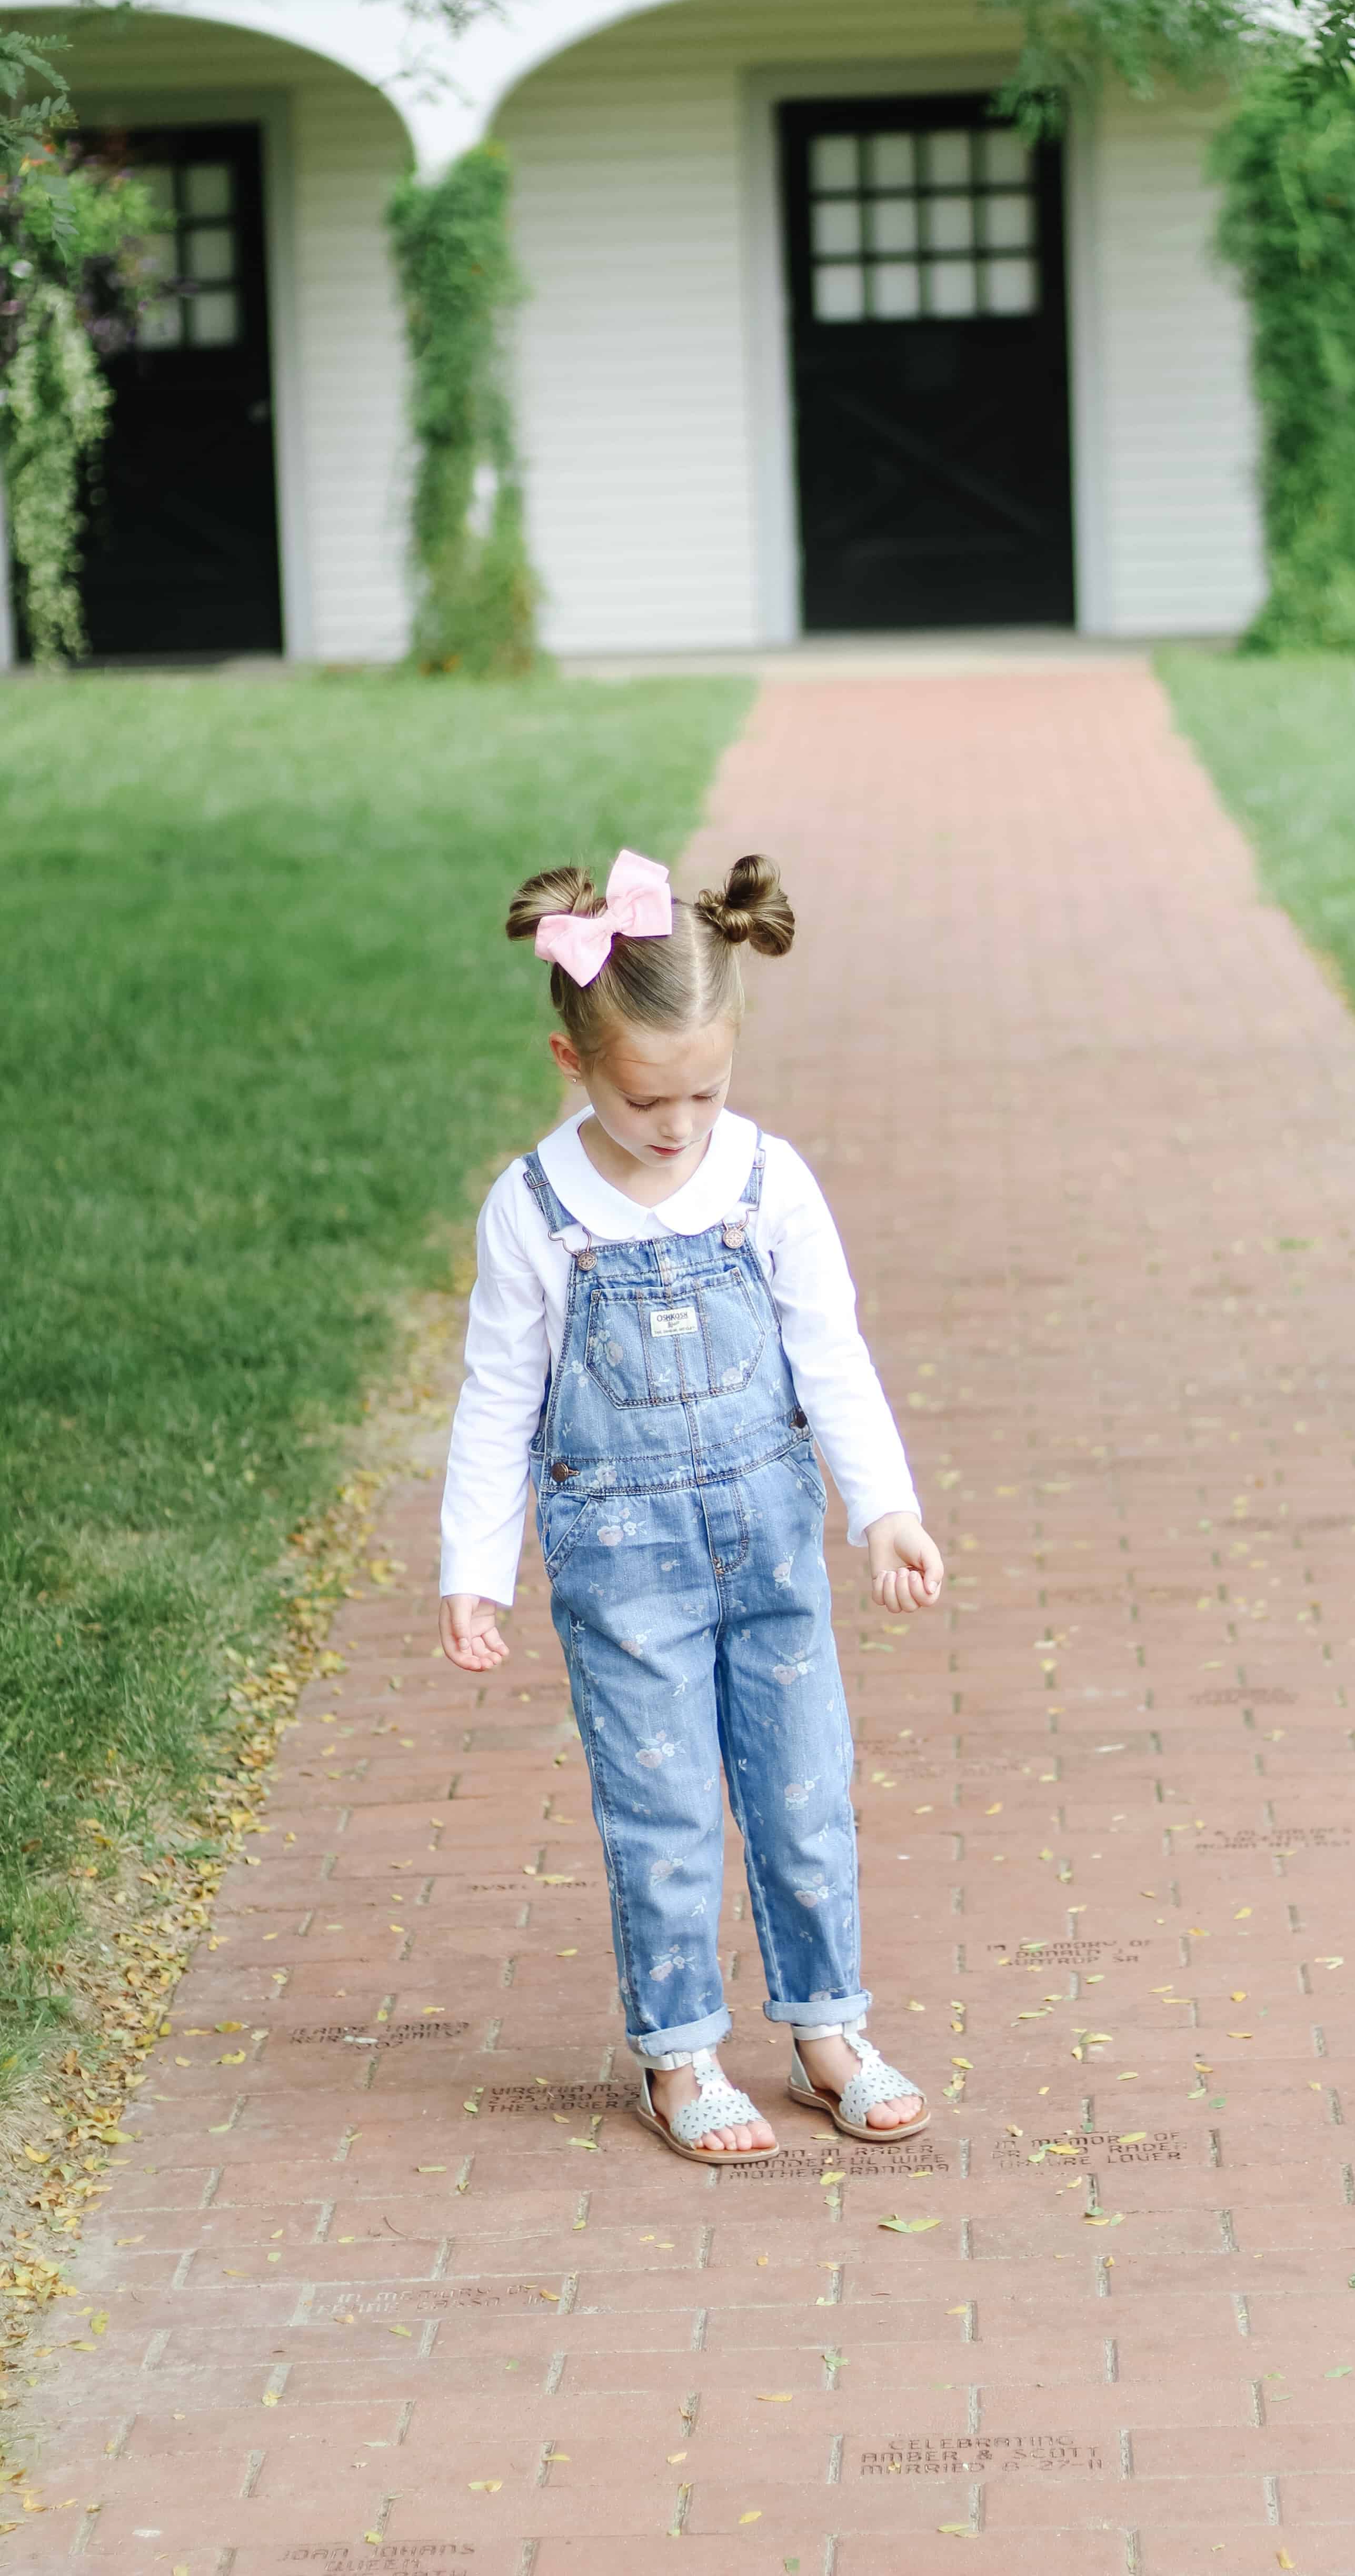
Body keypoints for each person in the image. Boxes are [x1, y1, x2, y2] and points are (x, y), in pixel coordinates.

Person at [437, 846, 943, 2162]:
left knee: (802, 1793)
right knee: (659, 1815)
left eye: (705, 1093)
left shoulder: (767, 1180)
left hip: (771, 1548)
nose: (676, 1124)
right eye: (647, 1098)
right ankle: (679, 2056)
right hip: (625, 1568)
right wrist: (474, 1568)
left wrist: (881, 1508)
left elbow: (829, 1348)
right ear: (576, 1068)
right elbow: (500, 1395)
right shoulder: (538, 1207)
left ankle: (827, 2032)